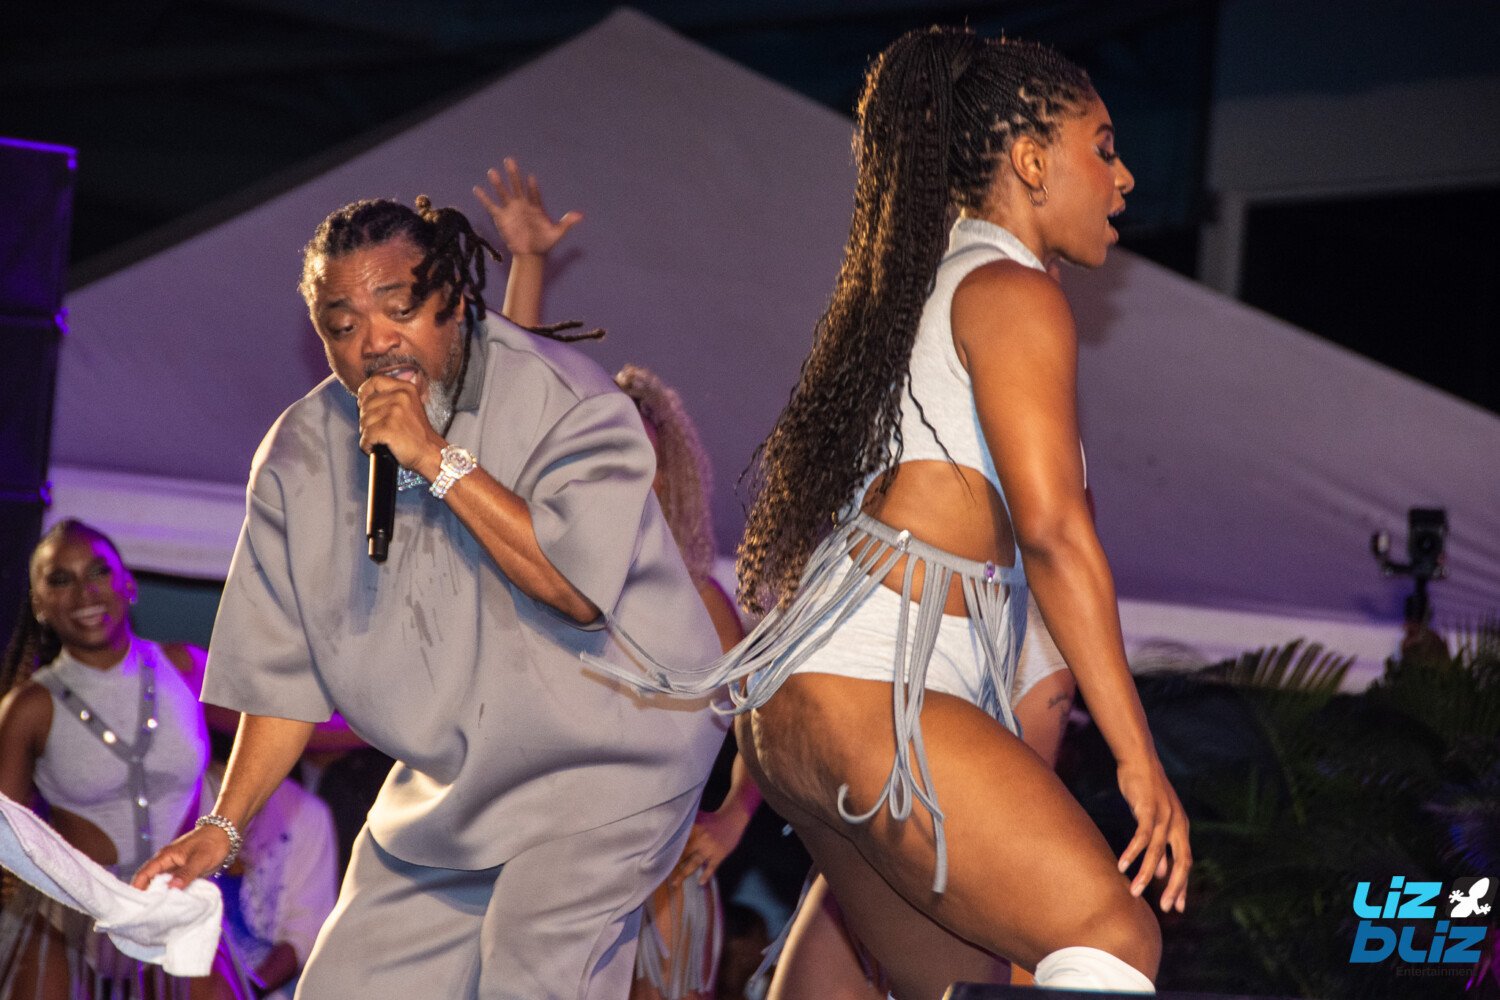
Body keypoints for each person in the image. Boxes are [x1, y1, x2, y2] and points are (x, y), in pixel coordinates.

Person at [590, 26, 1190, 996]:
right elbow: (1055, 536)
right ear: (1032, 161)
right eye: (1104, 147)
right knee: (1114, 936)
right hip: (874, 700)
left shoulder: (927, 286)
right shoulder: (1009, 290)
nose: (1123, 178)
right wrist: (1138, 758)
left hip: (799, 717)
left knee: (976, 982)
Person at [132, 187, 727, 998]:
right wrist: (222, 829)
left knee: (531, 965)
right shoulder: (299, 457)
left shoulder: (568, 398)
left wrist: (434, 457)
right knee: (345, 985)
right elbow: (281, 683)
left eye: (399, 309)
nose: (374, 341)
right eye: (342, 324)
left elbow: (577, 589)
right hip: (459, 784)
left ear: (454, 299)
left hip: (614, 755)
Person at [472, 159, 749, 1000]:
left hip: (653, 868)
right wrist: (528, 263)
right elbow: (510, 411)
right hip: (537, 849)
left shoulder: (698, 600)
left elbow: (769, 724)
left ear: (666, 477)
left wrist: (733, 817)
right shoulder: (547, 567)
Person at [0, 519, 246, 998]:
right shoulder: (29, 706)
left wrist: (385, 729)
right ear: (39, 604)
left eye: (98, 571)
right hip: (69, 916)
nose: (85, 592)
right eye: (61, 579)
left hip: (175, 903)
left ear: (127, 585)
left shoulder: (184, 668)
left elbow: (284, 729)